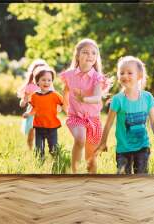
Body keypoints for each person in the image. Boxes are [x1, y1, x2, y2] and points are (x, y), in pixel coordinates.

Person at [95, 56, 154, 174]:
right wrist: (103, 142)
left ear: (139, 76)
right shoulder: (118, 100)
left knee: (141, 175)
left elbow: (153, 121)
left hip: (143, 146)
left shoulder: (147, 97)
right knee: (123, 177)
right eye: (121, 73)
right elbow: (108, 124)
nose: (124, 76)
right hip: (123, 148)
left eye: (129, 73)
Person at [60, 38, 110, 174]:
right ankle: (74, 172)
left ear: (96, 57)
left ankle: (91, 179)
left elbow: (97, 98)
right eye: (85, 52)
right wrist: (65, 108)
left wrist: (83, 98)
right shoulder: (70, 75)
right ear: (77, 55)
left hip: (93, 120)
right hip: (76, 117)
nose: (90, 56)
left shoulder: (97, 78)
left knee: (91, 158)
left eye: (94, 53)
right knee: (80, 139)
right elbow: (65, 92)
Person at [23, 65, 65, 160]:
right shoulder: (34, 96)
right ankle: (39, 162)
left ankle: (56, 161)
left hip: (52, 126)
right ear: (37, 81)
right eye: (43, 80)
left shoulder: (55, 95)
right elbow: (34, 109)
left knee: (53, 148)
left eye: (49, 80)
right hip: (39, 126)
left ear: (52, 82)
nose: (46, 82)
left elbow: (64, 103)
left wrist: (61, 108)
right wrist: (28, 114)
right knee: (38, 148)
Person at [17, 59, 47, 150]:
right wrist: (23, 102)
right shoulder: (30, 86)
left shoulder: (46, 84)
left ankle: (40, 149)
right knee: (31, 131)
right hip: (31, 111)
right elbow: (24, 100)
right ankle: (30, 148)